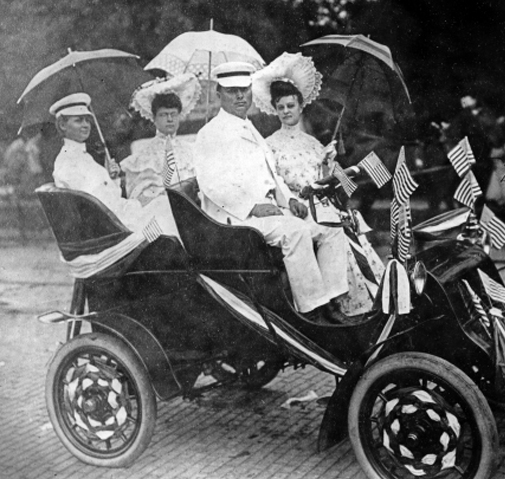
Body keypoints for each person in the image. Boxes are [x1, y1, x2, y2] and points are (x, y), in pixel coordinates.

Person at [194, 62, 349, 323]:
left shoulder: (250, 128)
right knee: (297, 232)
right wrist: (252, 207)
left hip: (270, 212)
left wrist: (288, 199)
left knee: (330, 226)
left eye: (244, 89)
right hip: (237, 219)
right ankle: (312, 312)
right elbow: (212, 184)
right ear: (219, 94)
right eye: (232, 91)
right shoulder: (210, 134)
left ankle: (333, 302)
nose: (241, 96)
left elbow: (271, 174)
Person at [252, 52, 385, 317]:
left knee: (346, 227)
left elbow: (324, 179)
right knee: (329, 228)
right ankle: (328, 304)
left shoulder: (313, 143)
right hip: (294, 208)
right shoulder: (269, 145)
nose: (287, 111)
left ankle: (352, 298)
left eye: (291, 105)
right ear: (275, 110)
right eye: (281, 107)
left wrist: (328, 163)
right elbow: (273, 184)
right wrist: (292, 199)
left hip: (321, 205)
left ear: (301, 106)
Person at [51, 92, 179, 238]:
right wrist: (136, 205)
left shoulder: (82, 157)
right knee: (166, 209)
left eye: (87, 120)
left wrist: (111, 177)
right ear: (62, 125)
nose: (86, 125)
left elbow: (100, 195)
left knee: (164, 203)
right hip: (110, 228)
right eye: (78, 121)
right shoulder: (68, 162)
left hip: (114, 219)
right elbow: (96, 206)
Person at [121, 74, 200, 205]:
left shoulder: (191, 150)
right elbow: (136, 194)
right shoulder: (144, 156)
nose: (170, 119)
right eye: (163, 115)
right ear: (154, 119)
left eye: (173, 114)